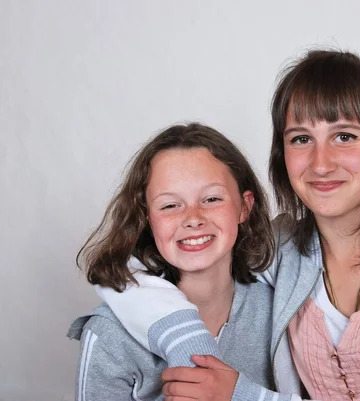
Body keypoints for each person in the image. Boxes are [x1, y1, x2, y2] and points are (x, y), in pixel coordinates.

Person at [96, 50, 360, 400]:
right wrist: (188, 344)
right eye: (301, 138)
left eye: (345, 136)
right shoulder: (281, 248)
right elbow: (136, 272)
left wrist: (245, 397)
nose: (321, 163)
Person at [67, 123, 280, 400]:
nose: (193, 218)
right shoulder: (110, 335)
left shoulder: (281, 314)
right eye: (170, 205)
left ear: (244, 207)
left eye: (212, 199)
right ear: (146, 218)